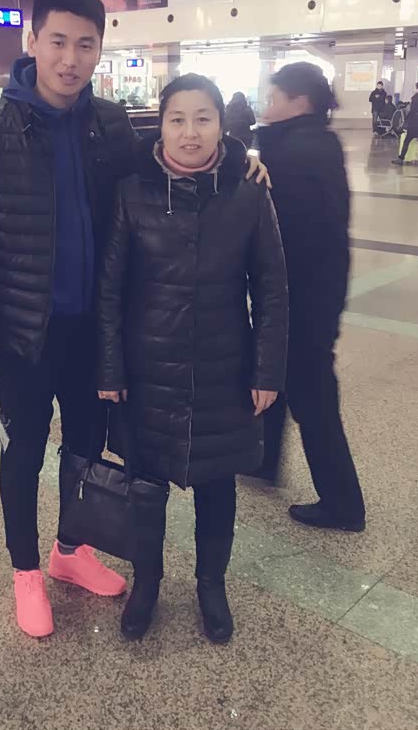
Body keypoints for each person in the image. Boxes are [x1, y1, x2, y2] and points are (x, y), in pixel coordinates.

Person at [0, 0, 268, 639]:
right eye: (58, 42)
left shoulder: (110, 122)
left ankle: (69, 550)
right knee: (25, 450)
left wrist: (240, 157)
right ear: (33, 40)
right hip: (26, 330)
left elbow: (169, 159)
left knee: (86, 447)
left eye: (85, 45)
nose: (70, 58)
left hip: (95, 328)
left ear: (99, 49)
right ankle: (26, 571)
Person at [97, 74, 288, 642]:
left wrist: (267, 370)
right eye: (177, 119)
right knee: (146, 487)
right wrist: (109, 368)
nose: (190, 133)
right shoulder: (132, 193)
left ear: (222, 125)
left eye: (203, 118)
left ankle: (211, 585)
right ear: (160, 125)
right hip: (147, 369)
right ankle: (147, 583)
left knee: (217, 486)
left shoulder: (248, 193)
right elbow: (109, 291)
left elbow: (273, 290)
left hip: (223, 368)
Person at [256, 62, 366, 532]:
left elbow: (287, 237)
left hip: (302, 296)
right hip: (318, 290)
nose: (267, 107)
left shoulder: (294, 152)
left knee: (313, 396)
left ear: (297, 101)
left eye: (273, 98)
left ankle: (343, 503)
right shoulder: (318, 141)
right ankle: (261, 458)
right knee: (277, 374)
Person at [392, 82, 418, 168]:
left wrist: (406, 121)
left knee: (407, 141)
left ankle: (401, 159)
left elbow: (412, 110)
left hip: (415, 123)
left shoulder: (416, 98)